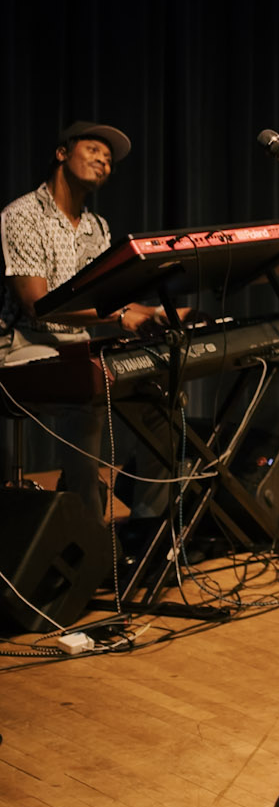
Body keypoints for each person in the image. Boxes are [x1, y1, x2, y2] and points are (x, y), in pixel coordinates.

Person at [1, 121, 159, 519]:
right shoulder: (22, 214)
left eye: (108, 159)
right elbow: (37, 305)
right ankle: (87, 529)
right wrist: (122, 316)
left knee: (157, 392)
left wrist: (160, 313)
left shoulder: (96, 227)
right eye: (93, 150)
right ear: (62, 153)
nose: (104, 162)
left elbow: (108, 299)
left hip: (73, 344)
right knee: (84, 390)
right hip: (18, 345)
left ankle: (150, 520)